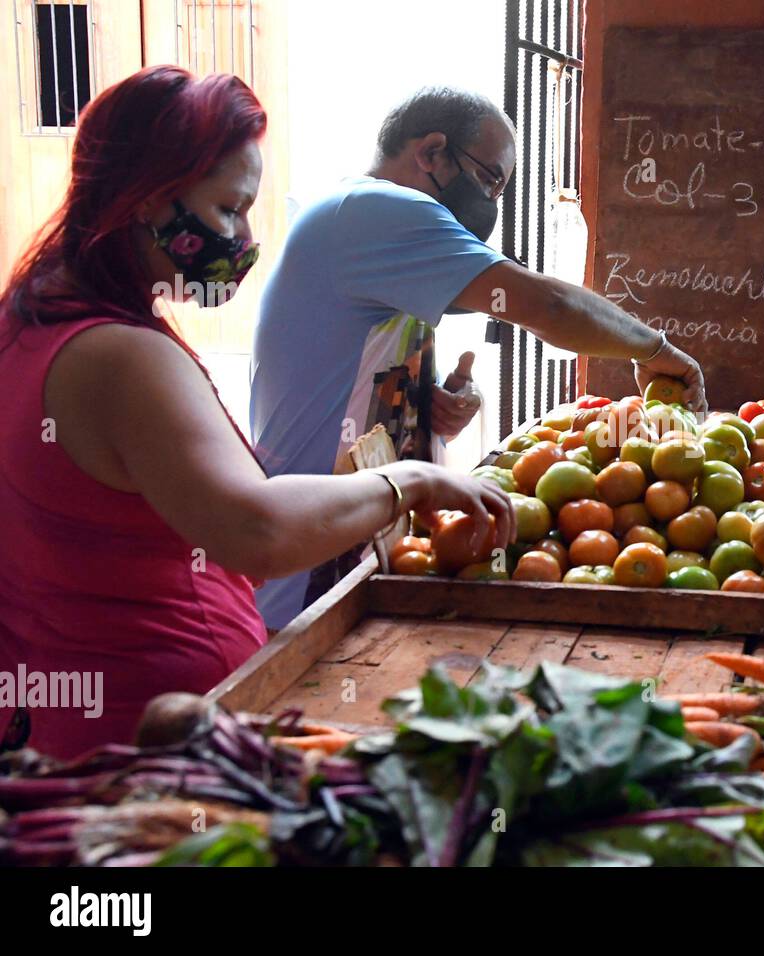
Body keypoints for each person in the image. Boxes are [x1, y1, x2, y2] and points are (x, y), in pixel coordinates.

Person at [0, 67, 513, 760]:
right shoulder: (120, 357)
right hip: (157, 747)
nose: (243, 240)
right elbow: (255, 530)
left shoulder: (29, 319)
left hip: (81, 724)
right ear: (151, 200)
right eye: (229, 209)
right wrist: (410, 484)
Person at [249, 86, 708, 629]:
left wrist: (441, 402)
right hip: (311, 573)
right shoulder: (376, 210)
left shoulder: (372, 228)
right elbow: (550, 305)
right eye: (490, 179)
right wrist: (658, 349)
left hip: (356, 549)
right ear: (431, 153)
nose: (490, 202)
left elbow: (362, 373)